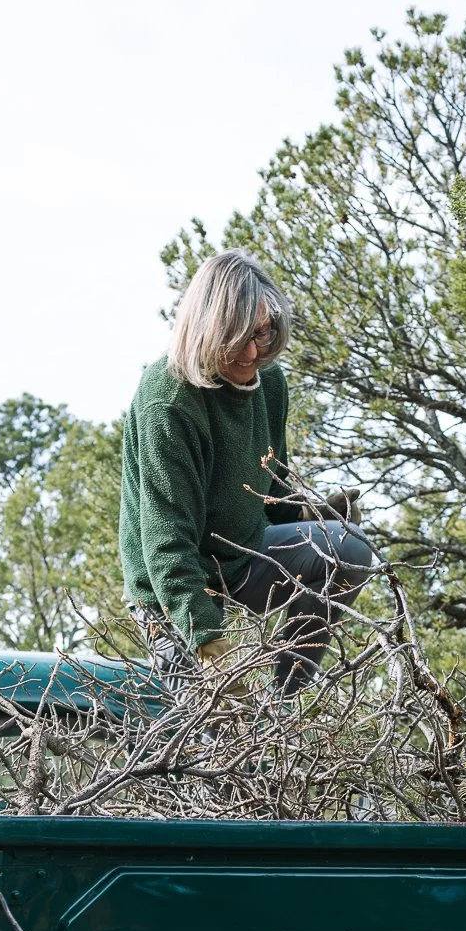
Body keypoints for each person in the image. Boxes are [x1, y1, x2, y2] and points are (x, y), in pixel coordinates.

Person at [119, 249, 374, 690]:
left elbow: (270, 487)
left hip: (243, 553)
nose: (256, 351)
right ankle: (221, 719)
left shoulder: (270, 384)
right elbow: (166, 543)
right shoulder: (168, 400)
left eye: (264, 334)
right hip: (172, 582)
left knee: (347, 548)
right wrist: (207, 642)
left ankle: (284, 705)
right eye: (241, 338)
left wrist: (308, 514)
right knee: (213, 717)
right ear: (209, 331)